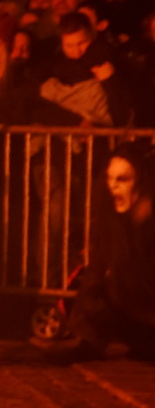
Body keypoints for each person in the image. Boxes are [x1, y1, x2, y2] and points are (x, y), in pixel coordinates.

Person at [48, 141, 155, 361]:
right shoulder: (111, 218)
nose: (113, 186)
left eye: (122, 179)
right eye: (110, 178)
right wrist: (80, 325)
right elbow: (98, 266)